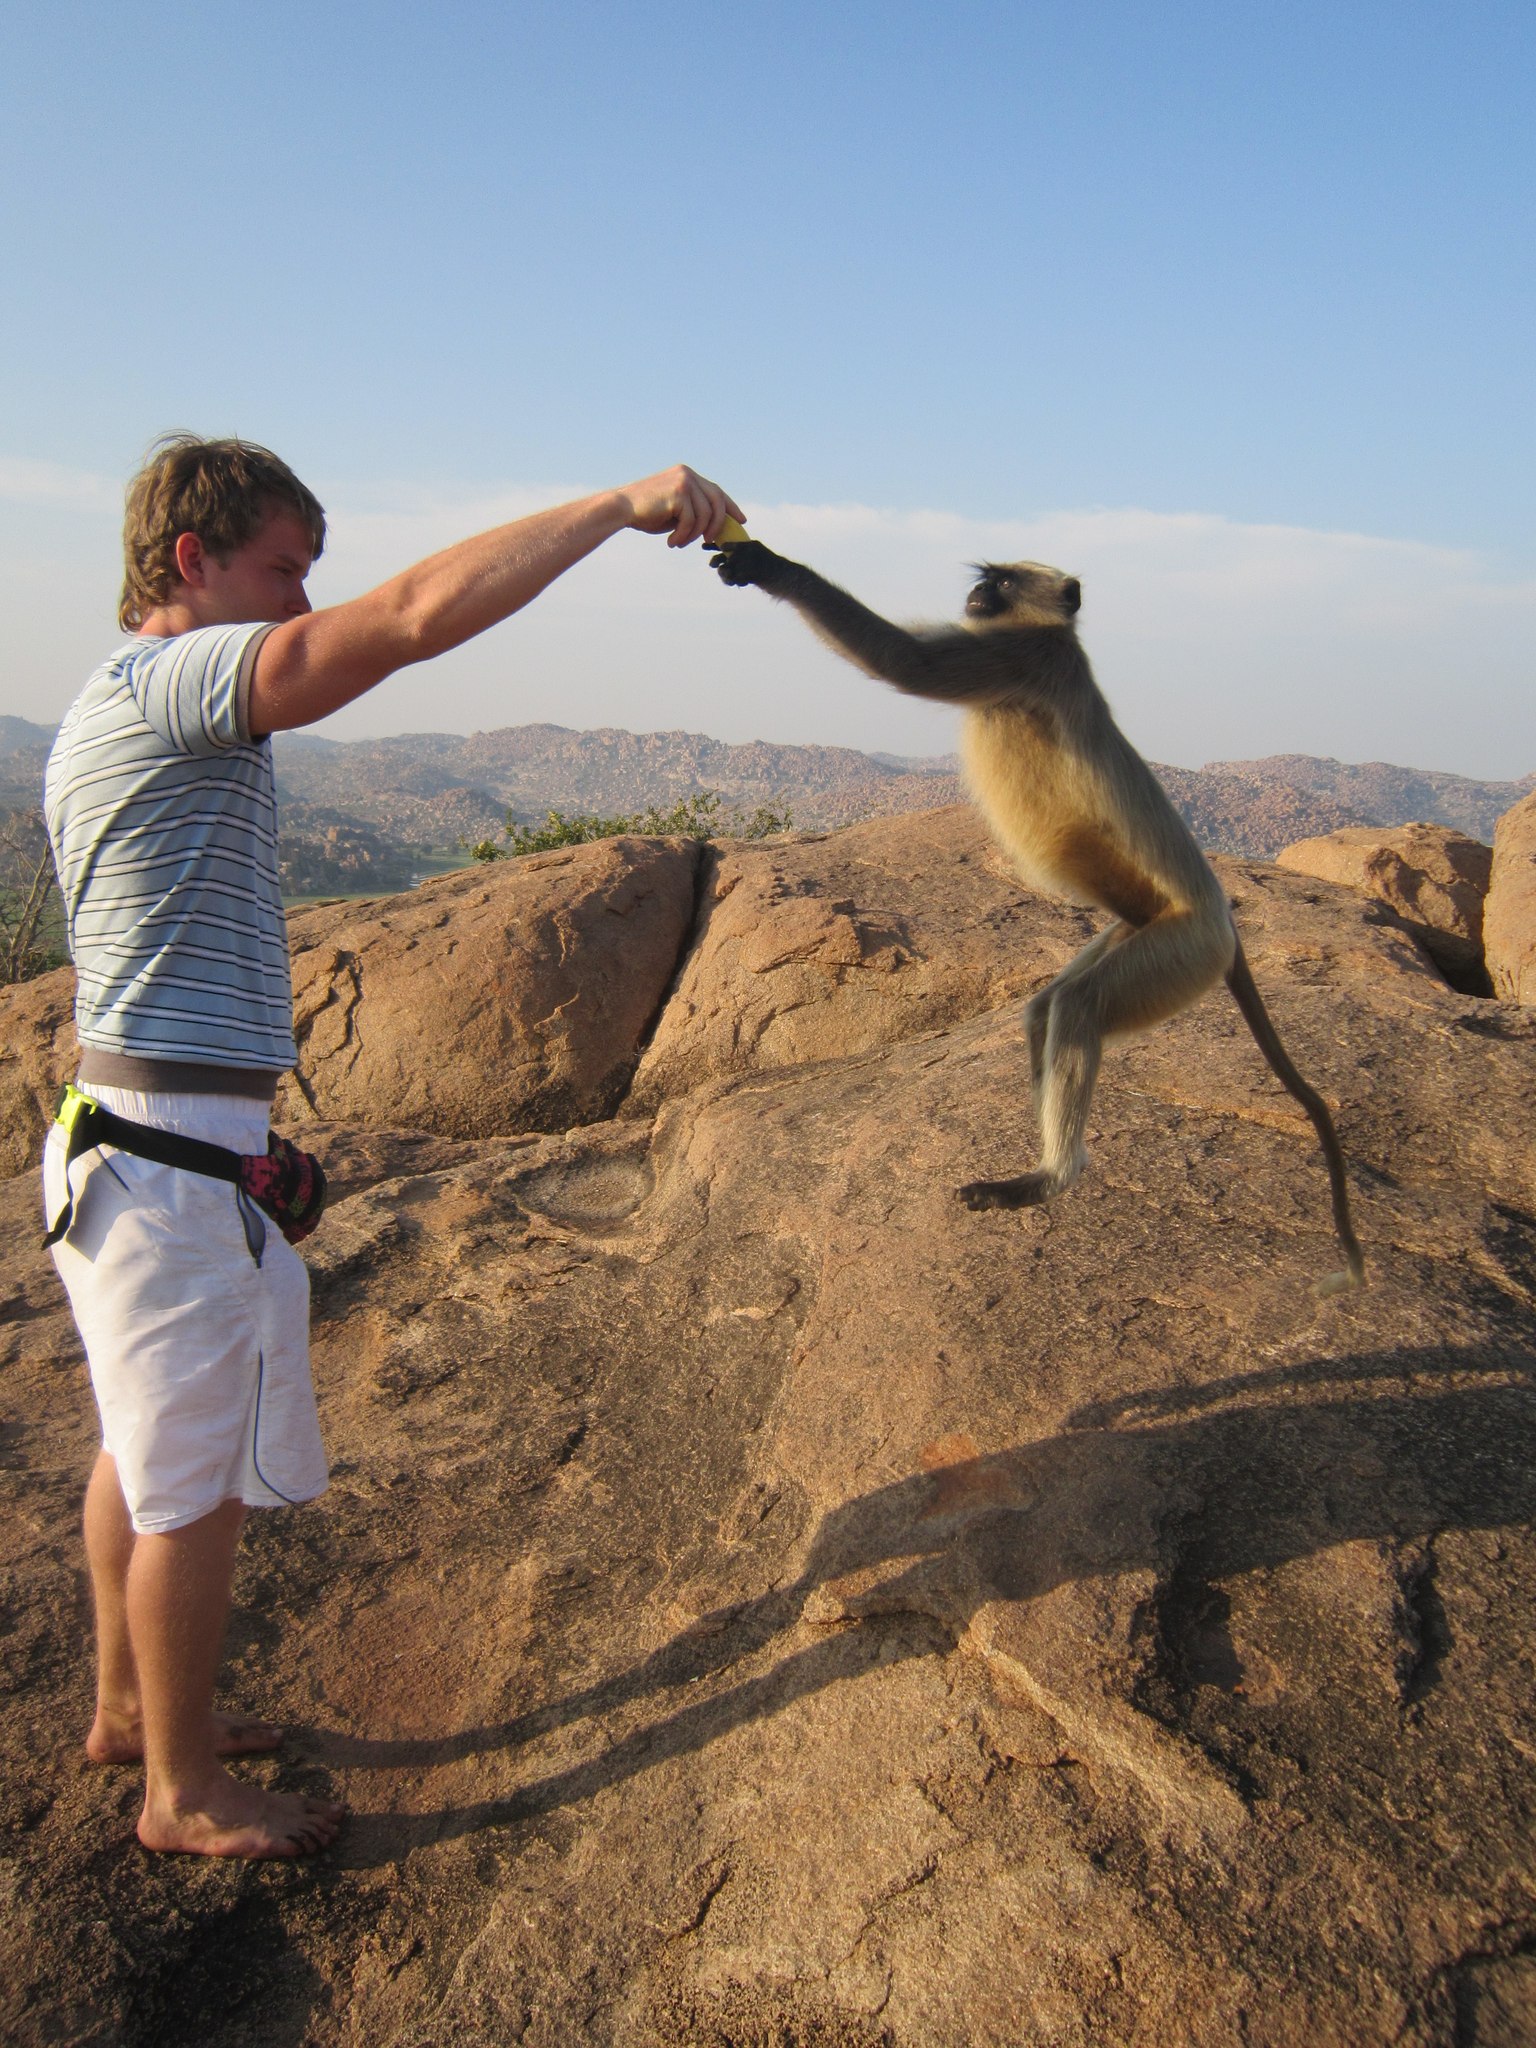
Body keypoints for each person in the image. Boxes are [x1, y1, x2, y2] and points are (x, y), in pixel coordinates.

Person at [42, 434, 743, 1859]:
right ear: (191, 561)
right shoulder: (171, 680)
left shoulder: (118, 704)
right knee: (192, 1495)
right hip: (165, 1152)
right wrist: (618, 505)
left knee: (141, 1451)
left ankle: (127, 1708)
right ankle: (181, 1792)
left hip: (145, 1141)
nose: (303, 602)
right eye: (283, 570)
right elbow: (413, 620)